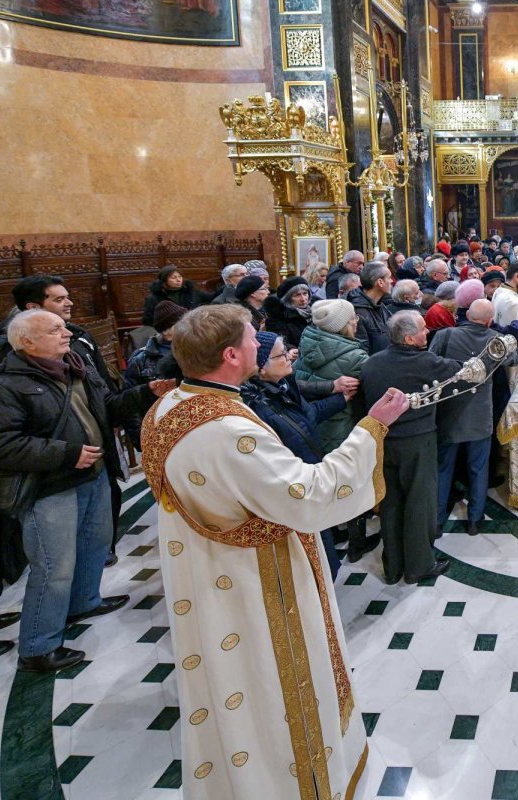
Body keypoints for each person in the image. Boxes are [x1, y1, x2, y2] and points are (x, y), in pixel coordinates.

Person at [140, 304, 409, 800]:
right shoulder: (227, 431)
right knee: (269, 685)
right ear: (230, 354)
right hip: (253, 582)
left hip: (207, 573)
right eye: (251, 337)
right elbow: (309, 494)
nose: (260, 342)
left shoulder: (169, 406)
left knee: (233, 690)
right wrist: (373, 427)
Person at [0, 310, 173, 671]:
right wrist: (67, 454)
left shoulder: (75, 367)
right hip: (49, 486)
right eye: (54, 329)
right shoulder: (3, 385)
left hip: (93, 474)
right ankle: (38, 648)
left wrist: (144, 393)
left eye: (63, 327)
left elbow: (106, 410)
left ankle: (84, 601)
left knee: (95, 542)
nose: (65, 332)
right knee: (54, 566)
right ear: (26, 342)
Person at [361, 311, 463, 583]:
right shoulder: (426, 362)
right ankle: (419, 565)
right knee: (421, 503)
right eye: (422, 329)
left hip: (382, 443)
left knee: (390, 503)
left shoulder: (371, 364)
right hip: (417, 441)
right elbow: (461, 370)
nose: (427, 332)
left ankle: (393, 566)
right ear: (409, 338)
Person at [240, 332, 353, 576]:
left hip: (310, 479)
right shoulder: (257, 406)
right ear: (261, 368)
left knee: (324, 557)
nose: (289, 357)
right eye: (281, 354)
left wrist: (340, 399)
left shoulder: (282, 386)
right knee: (316, 565)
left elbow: (306, 416)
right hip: (294, 492)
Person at [431, 299, 518, 533]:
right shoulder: (495, 340)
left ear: (467, 315)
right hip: (480, 414)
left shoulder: (446, 336)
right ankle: (474, 520)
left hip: (449, 412)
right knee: (478, 468)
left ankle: (437, 521)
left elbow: (430, 363)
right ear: (489, 321)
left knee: (443, 469)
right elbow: (516, 357)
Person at [294, 299, 368, 453]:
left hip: (310, 425)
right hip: (342, 428)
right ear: (345, 325)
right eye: (353, 317)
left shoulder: (306, 346)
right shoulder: (356, 357)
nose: (356, 322)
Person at [124, 301, 187, 447]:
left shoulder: (194, 350)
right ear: (167, 329)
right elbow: (131, 405)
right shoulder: (141, 359)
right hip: (161, 431)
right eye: (183, 322)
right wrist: (143, 440)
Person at [348, 261, 393, 353]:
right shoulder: (358, 313)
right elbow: (361, 350)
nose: (391, 281)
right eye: (389, 278)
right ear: (380, 282)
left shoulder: (380, 306)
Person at [141, 266, 205, 326]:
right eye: (173, 278)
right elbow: (148, 320)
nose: (178, 280)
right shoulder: (153, 298)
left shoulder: (190, 291)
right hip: (168, 332)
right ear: (165, 280)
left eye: (180, 276)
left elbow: (210, 297)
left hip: (190, 328)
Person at [263, 277, 313, 348]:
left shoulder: (317, 311)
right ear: (288, 298)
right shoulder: (278, 317)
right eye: (297, 295)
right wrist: (290, 349)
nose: (303, 299)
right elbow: (279, 341)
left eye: (305, 293)